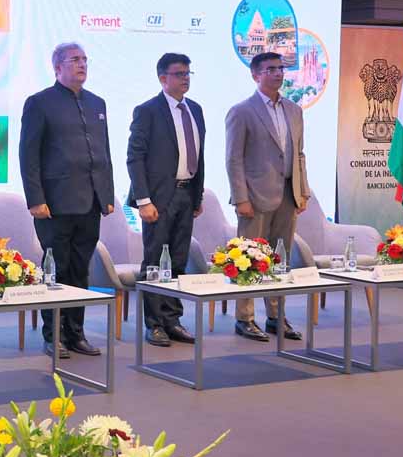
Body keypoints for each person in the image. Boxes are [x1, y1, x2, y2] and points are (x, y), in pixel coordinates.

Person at [19, 42, 115, 358]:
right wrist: (35, 198)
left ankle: (76, 333)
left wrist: (107, 194)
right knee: (55, 271)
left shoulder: (96, 102)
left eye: (85, 59)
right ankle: (54, 335)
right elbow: (28, 155)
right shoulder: (40, 103)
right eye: (75, 59)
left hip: (90, 202)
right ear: (57, 67)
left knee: (79, 271)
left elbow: (104, 153)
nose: (82, 64)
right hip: (54, 205)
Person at [225, 51, 311, 341]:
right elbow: (233, 159)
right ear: (255, 75)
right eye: (270, 69)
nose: (278, 74)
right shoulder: (241, 111)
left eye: (280, 69)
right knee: (248, 259)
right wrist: (240, 198)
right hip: (254, 197)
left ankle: (276, 316)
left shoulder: (294, 110)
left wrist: (303, 190)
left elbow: (299, 154)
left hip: (288, 193)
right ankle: (244, 318)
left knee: (279, 258)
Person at [127, 53, 204, 347]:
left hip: (186, 193)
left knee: (179, 261)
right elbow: (135, 157)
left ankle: (173, 320)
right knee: (155, 262)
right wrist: (143, 200)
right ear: (163, 78)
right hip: (158, 198)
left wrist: (197, 195)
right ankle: (154, 323)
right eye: (179, 74)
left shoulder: (195, 109)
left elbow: (199, 154)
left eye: (188, 73)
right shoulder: (147, 111)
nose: (185, 78)